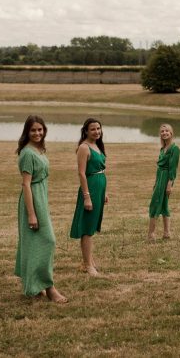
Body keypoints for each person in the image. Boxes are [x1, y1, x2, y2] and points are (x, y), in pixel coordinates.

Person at [14, 115, 67, 303]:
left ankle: (36, 286)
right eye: (33, 130)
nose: (37, 133)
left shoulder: (39, 149)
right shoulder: (27, 153)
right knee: (47, 241)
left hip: (41, 199)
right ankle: (49, 287)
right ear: (27, 132)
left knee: (37, 244)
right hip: (32, 200)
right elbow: (26, 185)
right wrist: (31, 214)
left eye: (40, 129)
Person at [70, 118, 109, 277]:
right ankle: (87, 265)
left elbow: (101, 170)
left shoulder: (97, 146)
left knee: (92, 226)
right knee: (87, 227)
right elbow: (81, 173)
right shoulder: (84, 148)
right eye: (93, 129)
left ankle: (88, 260)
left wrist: (104, 192)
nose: (97, 132)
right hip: (90, 189)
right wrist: (87, 196)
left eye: (98, 128)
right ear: (86, 131)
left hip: (99, 188)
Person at [148, 123, 180, 241]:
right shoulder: (163, 148)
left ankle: (151, 234)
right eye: (162, 131)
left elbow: (173, 168)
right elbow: (159, 167)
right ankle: (167, 233)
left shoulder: (174, 148)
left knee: (155, 204)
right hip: (160, 177)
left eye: (167, 131)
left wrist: (169, 185)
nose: (164, 133)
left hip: (166, 178)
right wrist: (156, 183)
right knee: (164, 205)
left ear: (171, 133)